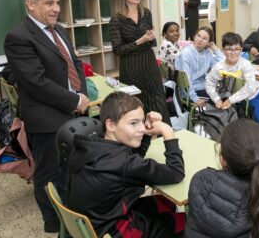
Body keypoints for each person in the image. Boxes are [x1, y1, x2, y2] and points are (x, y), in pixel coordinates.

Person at [4, 0, 89, 233]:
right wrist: (74, 100)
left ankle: (72, 212)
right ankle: (53, 222)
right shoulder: (19, 37)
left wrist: (81, 94)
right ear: (30, 4)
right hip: (47, 119)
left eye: (57, 3)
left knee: (71, 168)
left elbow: (75, 63)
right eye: (49, 3)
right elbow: (36, 83)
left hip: (72, 112)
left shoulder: (59, 30)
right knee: (49, 173)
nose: (56, 9)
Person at [68, 92, 185, 237]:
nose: (141, 128)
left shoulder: (91, 145)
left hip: (97, 222)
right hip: (114, 231)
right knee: (185, 222)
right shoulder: (124, 164)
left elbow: (134, 159)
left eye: (142, 121)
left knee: (167, 203)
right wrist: (168, 132)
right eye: (133, 123)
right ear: (110, 124)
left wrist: (144, 134)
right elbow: (176, 173)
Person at [109, 0, 170, 124]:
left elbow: (150, 41)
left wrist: (150, 38)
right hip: (131, 67)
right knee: (136, 106)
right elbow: (118, 50)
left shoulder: (146, 13)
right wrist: (140, 41)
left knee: (158, 102)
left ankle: (164, 137)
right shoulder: (116, 20)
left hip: (148, 64)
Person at [205, 32, 259, 135]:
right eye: (229, 49)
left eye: (236, 49)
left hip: (258, 91)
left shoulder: (245, 64)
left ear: (241, 49)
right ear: (223, 50)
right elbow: (209, 83)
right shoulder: (219, 67)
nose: (233, 52)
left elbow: (250, 87)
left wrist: (230, 100)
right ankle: (258, 134)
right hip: (242, 98)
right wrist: (216, 99)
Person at [174, 27, 224, 107]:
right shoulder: (185, 54)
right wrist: (195, 98)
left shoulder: (207, 53)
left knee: (226, 96)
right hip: (189, 92)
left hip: (203, 87)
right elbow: (186, 80)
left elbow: (222, 65)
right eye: (198, 36)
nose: (200, 40)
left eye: (204, 38)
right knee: (222, 101)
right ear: (194, 36)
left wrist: (215, 50)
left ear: (209, 42)